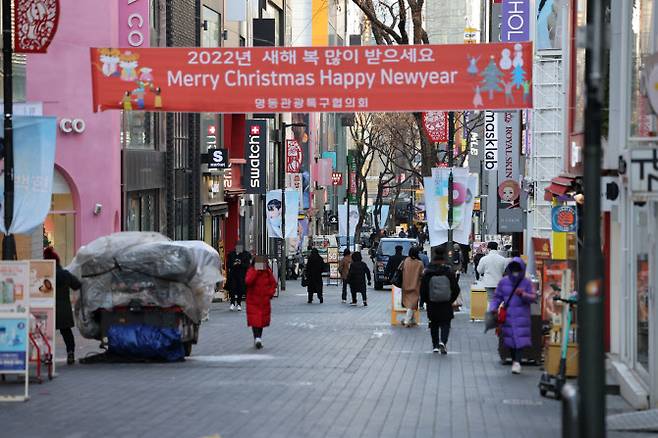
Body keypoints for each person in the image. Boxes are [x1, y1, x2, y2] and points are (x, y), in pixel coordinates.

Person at [489, 257, 536, 374]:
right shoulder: (504, 282)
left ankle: (517, 362)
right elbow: (497, 298)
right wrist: (493, 309)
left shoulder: (526, 283)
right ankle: (515, 360)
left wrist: (523, 294)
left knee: (519, 339)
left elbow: (533, 298)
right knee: (510, 339)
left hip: (522, 316)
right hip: (508, 315)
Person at [44, 247, 81, 365]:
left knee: (46, 333)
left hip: (48, 308)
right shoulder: (65, 274)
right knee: (66, 332)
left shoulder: (45, 275)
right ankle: (70, 353)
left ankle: (47, 355)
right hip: (64, 308)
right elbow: (77, 285)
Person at [420, 249, 460, 354]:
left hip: (432, 303)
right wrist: (450, 299)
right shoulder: (448, 272)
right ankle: (443, 341)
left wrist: (426, 301)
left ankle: (435, 345)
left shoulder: (428, 272)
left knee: (433, 324)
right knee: (445, 323)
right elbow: (456, 289)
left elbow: (423, 289)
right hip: (446, 303)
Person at [245, 257, 277, 349]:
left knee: (261, 321)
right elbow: (248, 281)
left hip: (264, 300)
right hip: (253, 300)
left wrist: (270, 293)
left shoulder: (267, 272)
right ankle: (257, 338)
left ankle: (258, 338)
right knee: (255, 320)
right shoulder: (252, 271)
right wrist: (256, 272)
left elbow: (273, 283)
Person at [400, 247, 425, 326]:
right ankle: (407, 320)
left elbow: (400, 269)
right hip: (415, 285)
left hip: (405, 284)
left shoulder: (405, 261)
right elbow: (422, 274)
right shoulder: (419, 263)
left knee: (409, 302)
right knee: (412, 303)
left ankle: (412, 319)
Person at [226, 243, 251, 311]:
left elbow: (247, 265)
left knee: (240, 289)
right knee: (232, 289)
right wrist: (233, 263)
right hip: (233, 274)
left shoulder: (246, 254)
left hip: (241, 274)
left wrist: (240, 263)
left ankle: (239, 303)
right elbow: (228, 265)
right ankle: (232, 303)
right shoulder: (231, 254)